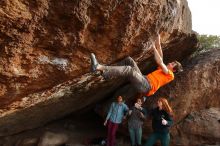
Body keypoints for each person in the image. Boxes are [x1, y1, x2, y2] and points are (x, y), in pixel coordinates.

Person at [90, 34, 183, 98]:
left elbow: (160, 61)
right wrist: (157, 37)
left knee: (129, 70)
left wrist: (153, 47)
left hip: (147, 87)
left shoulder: (171, 75)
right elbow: (160, 53)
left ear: (174, 70)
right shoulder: (163, 70)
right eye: (171, 62)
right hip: (144, 79)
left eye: (172, 64)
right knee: (129, 60)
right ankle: (106, 73)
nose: (170, 63)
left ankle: (98, 67)